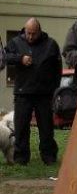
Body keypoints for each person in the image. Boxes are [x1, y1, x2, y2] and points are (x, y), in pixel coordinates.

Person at [4, 18, 62, 166]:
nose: (30, 37)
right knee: (21, 127)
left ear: (39, 31)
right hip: (23, 92)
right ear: (24, 30)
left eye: (34, 34)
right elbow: (5, 57)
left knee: (46, 127)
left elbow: (57, 68)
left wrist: (54, 88)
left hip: (44, 93)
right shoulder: (16, 42)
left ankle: (49, 157)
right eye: (28, 33)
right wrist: (20, 59)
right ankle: (21, 158)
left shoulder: (51, 44)